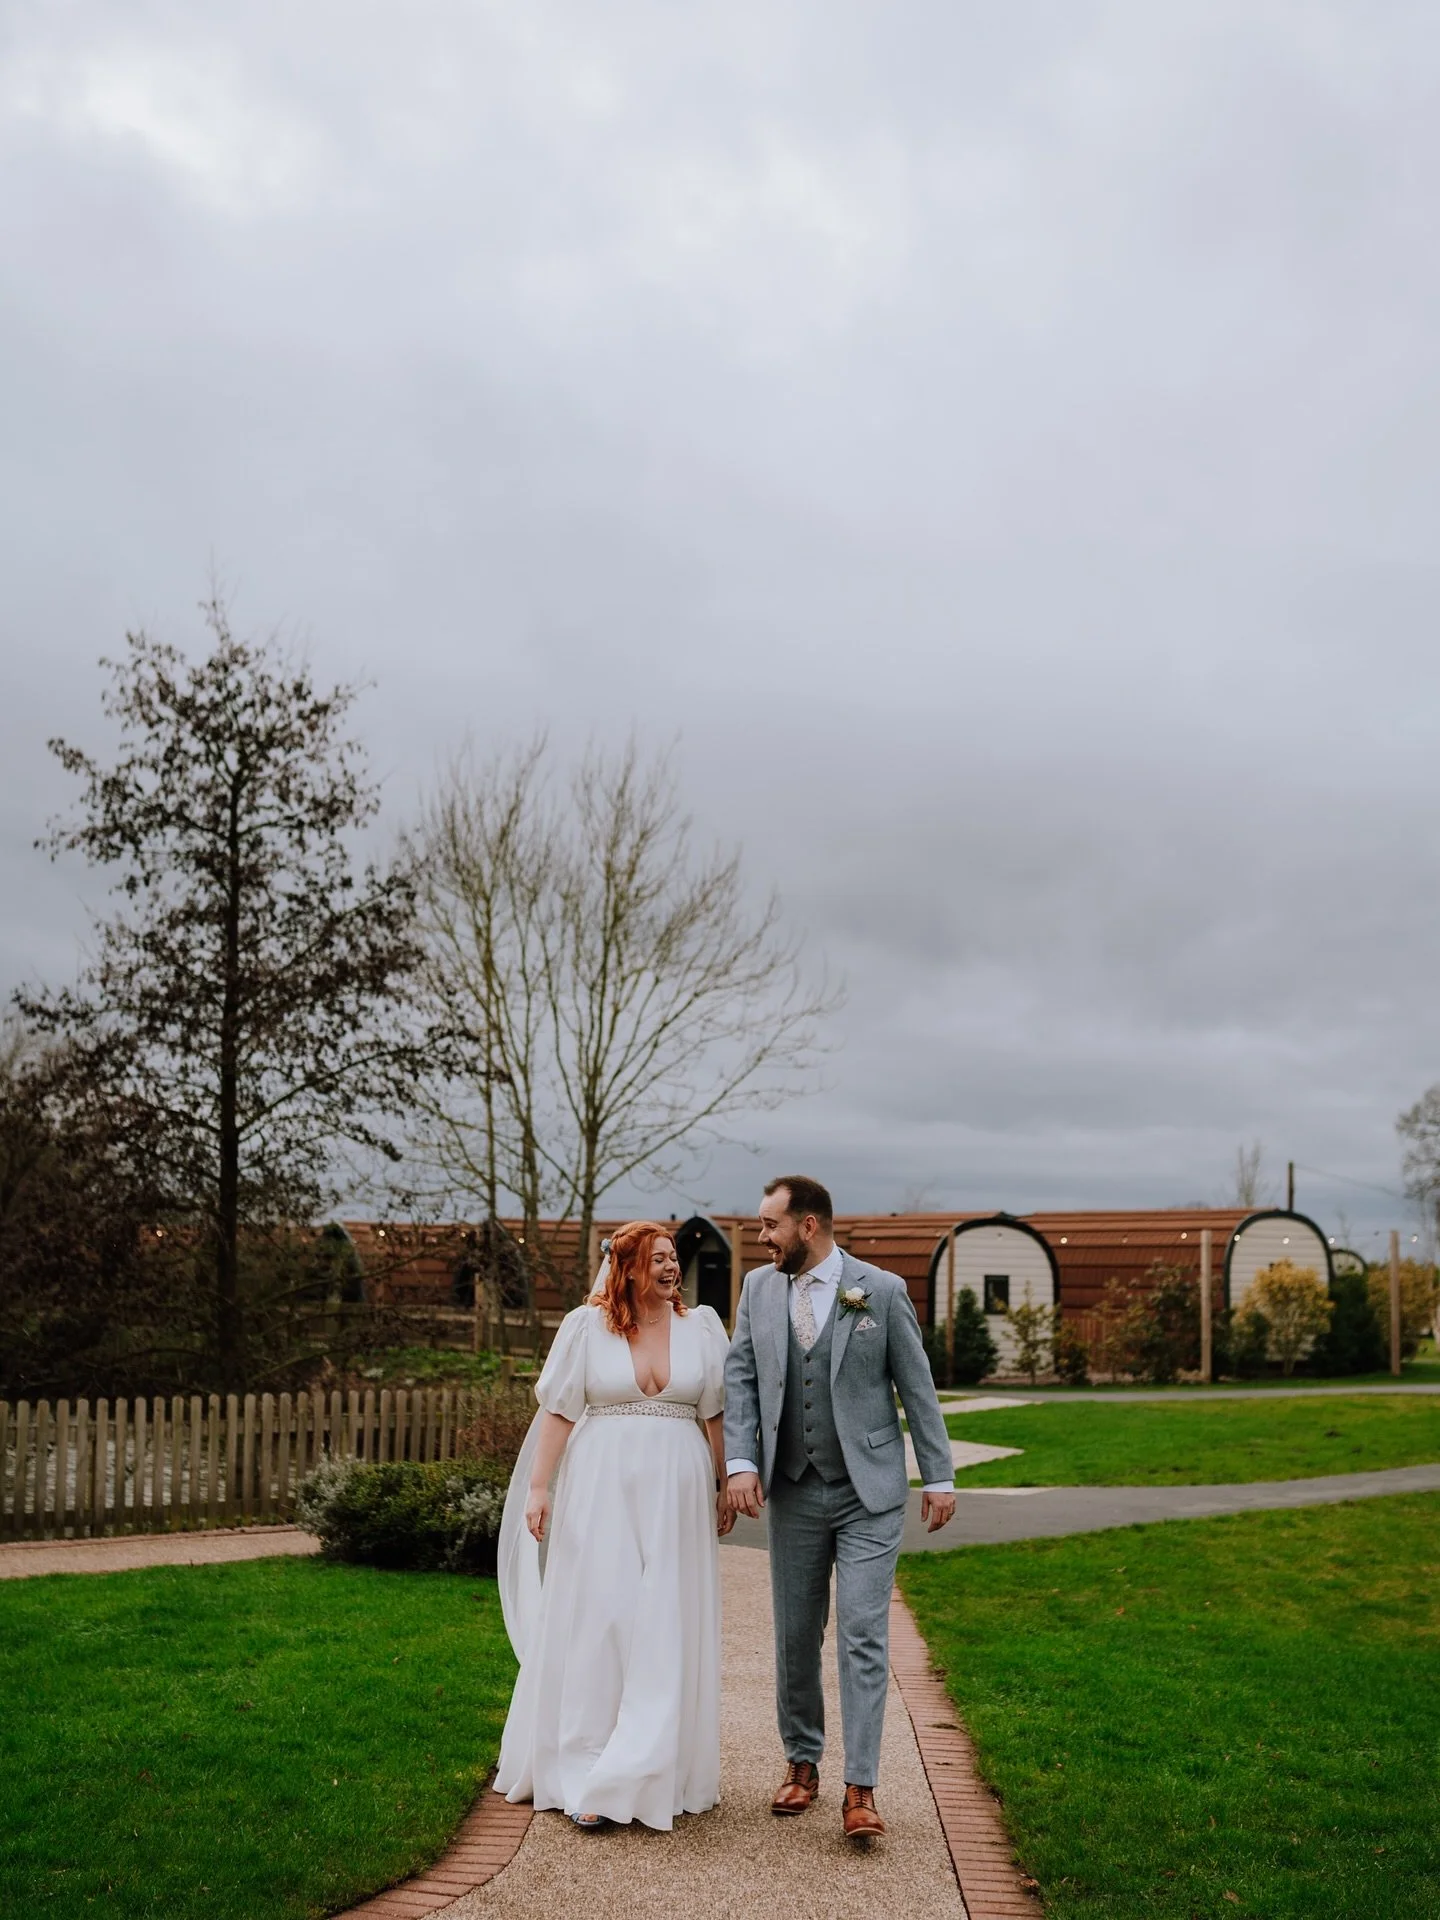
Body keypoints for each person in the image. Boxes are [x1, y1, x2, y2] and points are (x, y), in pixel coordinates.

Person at [724, 1175, 957, 1842]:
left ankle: (862, 1788)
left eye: (770, 1225)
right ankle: (802, 1764)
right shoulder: (757, 1290)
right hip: (793, 1489)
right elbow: (741, 1379)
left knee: (862, 1634)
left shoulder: (878, 1291)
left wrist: (938, 1476)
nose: (760, 1237)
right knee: (796, 1635)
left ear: (811, 1226)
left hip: (869, 1492)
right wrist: (741, 1462)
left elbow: (917, 1386)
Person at [495, 1220, 733, 1830]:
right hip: (601, 1492)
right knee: (602, 1619)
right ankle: (586, 1768)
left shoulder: (701, 1328)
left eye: (673, 1256)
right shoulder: (585, 1329)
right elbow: (557, 1412)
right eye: (657, 1258)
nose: (670, 1266)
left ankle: (647, 1767)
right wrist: (540, 1489)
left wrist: (723, 1481)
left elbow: (714, 1417)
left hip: (677, 1498)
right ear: (625, 1267)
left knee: (664, 1620)